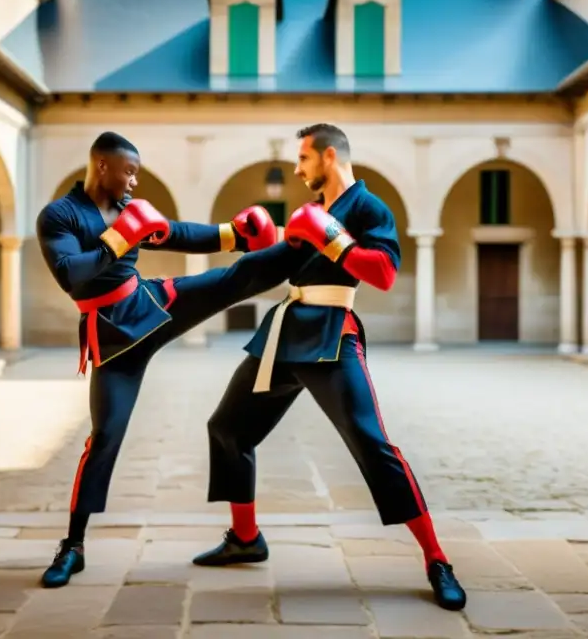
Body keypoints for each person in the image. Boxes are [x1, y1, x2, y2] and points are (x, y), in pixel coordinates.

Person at [190, 123, 467, 611]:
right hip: (284, 333)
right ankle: (246, 537)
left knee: (373, 444)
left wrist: (333, 238)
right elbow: (266, 267)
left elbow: (382, 273)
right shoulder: (311, 214)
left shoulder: (368, 208)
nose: (296, 169)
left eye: (303, 159)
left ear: (330, 156)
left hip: (332, 336)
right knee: (228, 428)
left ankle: (437, 558)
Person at [34, 130, 301, 588]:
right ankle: (73, 546)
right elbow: (70, 276)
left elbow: (178, 234)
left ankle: (311, 248)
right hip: (113, 338)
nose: (135, 181)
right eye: (130, 171)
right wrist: (121, 239)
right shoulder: (59, 215)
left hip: (152, 304)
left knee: (229, 280)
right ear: (102, 166)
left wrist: (234, 235)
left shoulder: (126, 211)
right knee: (105, 439)